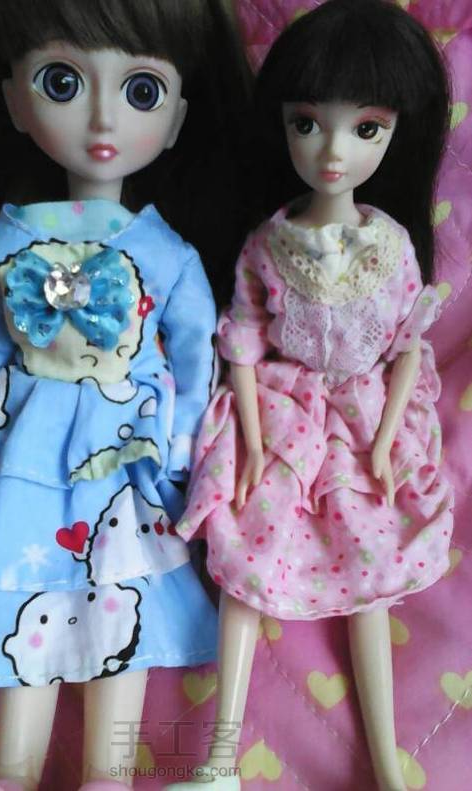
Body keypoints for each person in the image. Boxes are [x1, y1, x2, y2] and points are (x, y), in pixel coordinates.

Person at [0, 2, 253, 790]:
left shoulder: (164, 250)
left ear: (175, 120)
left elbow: (198, 355)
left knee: (119, 595)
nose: (103, 119)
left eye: (141, 92)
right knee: (23, 593)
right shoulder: (8, 240)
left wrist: (179, 453)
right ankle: (12, 773)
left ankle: (110, 773)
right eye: (62, 82)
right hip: (24, 450)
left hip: (123, 453)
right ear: (13, 102)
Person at [168, 2, 454, 790]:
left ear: (395, 133)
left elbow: (405, 345)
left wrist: (385, 437)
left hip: (362, 414)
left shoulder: (389, 245)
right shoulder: (267, 243)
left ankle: (386, 760)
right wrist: (253, 438)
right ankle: (218, 757)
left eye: (364, 128)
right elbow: (241, 342)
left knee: (370, 564)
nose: (332, 150)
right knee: (243, 555)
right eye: (307, 124)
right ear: (282, 126)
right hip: (283, 409)